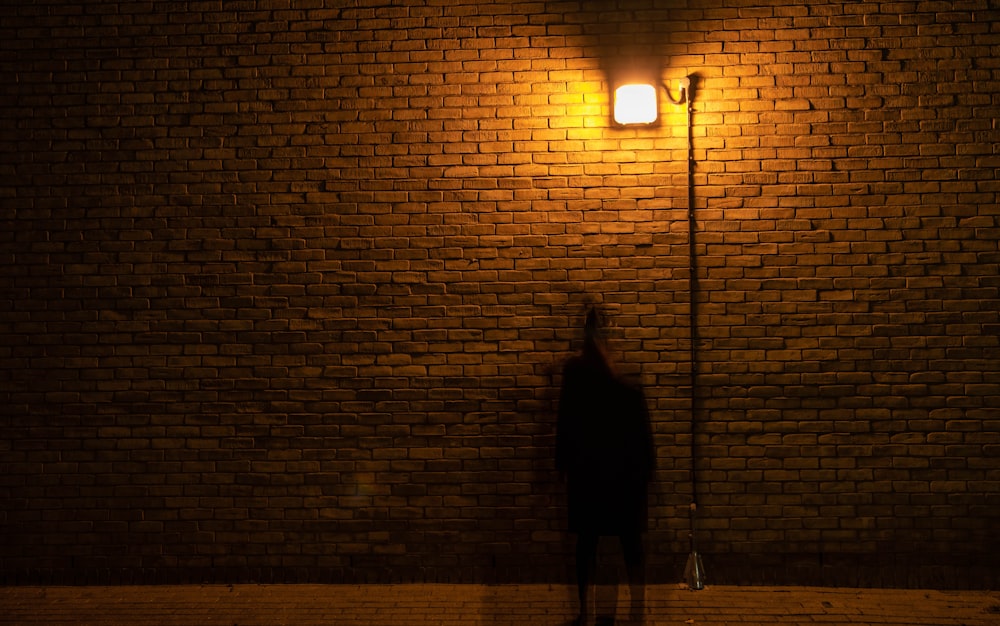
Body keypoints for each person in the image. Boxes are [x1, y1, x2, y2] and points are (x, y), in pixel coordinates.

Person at [557, 308, 654, 626]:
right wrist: (646, 470)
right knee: (629, 544)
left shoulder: (576, 372)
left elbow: (566, 421)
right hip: (624, 473)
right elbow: (642, 431)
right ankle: (636, 610)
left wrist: (562, 464)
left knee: (588, 543)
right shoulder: (626, 382)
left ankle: (586, 612)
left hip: (589, 471)